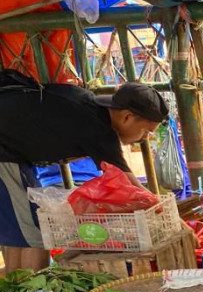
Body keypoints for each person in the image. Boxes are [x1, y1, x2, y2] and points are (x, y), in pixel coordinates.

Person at [0, 71, 168, 271]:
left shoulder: (89, 105)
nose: (145, 138)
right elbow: (125, 181)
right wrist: (162, 210)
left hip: (12, 154)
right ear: (127, 117)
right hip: (5, 154)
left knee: (20, 232)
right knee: (38, 233)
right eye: (146, 131)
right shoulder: (99, 129)